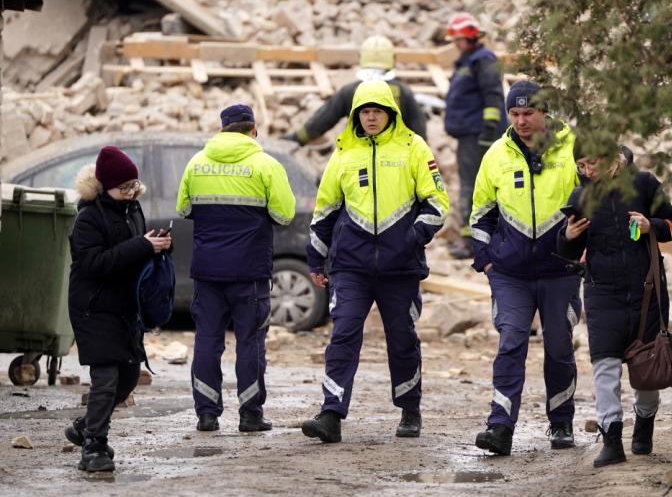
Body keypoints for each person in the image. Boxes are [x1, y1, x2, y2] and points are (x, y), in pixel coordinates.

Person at [299, 80, 449, 444]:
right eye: (363, 111)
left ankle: (410, 409)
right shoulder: (343, 154)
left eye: (376, 111)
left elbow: (438, 204)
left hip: (401, 269)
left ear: (389, 113)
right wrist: (316, 261)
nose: (369, 117)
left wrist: (411, 237)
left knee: (403, 339)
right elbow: (325, 212)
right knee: (344, 335)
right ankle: (331, 414)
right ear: (355, 116)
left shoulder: (414, 147)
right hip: (351, 267)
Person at [469, 80, 580, 455]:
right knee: (511, 342)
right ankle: (500, 428)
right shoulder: (495, 155)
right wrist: (485, 260)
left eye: (528, 113)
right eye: (514, 114)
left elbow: (596, 202)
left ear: (545, 112)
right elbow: (480, 215)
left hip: (560, 271)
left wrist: (583, 248)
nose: (520, 121)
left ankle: (561, 422)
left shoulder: (572, 149)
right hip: (509, 273)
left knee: (559, 347)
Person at [557, 142, 672, 467]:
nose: (587, 171)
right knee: (604, 368)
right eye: (581, 165)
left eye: (592, 163)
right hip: (602, 294)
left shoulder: (644, 183)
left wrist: (651, 225)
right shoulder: (580, 197)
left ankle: (644, 424)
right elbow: (567, 250)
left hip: (647, 292)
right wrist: (568, 236)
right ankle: (611, 441)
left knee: (647, 369)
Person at [176, 105, 296, 432]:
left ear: (222, 129)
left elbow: (183, 208)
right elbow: (285, 215)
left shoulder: (196, 163)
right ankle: (250, 414)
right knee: (250, 342)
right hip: (250, 272)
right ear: (253, 130)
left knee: (207, 341)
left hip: (208, 272)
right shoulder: (267, 165)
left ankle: (206, 414)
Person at [65, 146, 172, 472]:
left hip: (126, 308)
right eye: (123, 188)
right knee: (107, 377)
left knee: (127, 377)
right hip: (93, 308)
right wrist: (141, 245)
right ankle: (94, 447)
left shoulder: (132, 210)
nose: (130, 193)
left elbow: (133, 254)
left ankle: (84, 427)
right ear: (104, 187)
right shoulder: (88, 218)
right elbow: (94, 263)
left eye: (133, 186)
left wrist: (157, 245)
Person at [281, 35, 428, 144]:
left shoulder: (350, 91)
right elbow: (419, 130)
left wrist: (297, 138)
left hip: (357, 157)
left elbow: (324, 119)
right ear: (393, 59)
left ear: (361, 57)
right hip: (396, 160)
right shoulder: (403, 92)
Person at [443, 12, 507, 259]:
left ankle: (471, 241)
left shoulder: (483, 60)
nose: (456, 43)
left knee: (473, 187)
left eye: (459, 38)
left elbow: (493, 96)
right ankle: (475, 236)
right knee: (471, 186)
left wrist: (489, 132)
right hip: (469, 135)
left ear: (470, 37)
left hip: (478, 136)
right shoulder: (468, 62)